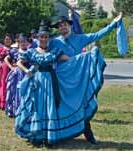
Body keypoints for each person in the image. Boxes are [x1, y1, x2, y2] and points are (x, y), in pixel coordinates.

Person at [47, 13, 123, 144]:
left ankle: (88, 132)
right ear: (58, 28)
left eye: (64, 24)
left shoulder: (79, 38)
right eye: (60, 26)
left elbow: (97, 34)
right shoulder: (54, 42)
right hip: (62, 79)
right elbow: (51, 56)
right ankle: (62, 133)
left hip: (78, 79)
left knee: (82, 104)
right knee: (61, 106)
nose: (62, 27)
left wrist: (113, 24)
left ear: (69, 25)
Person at [4, 34, 30, 116]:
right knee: (15, 92)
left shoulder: (31, 52)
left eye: (25, 42)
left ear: (27, 43)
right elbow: (6, 59)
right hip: (17, 74)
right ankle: (15, 110)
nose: (23, 44)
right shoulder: (14, 51)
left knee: (26, 91)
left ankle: (26, 110)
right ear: (19, 43)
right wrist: (11, 67)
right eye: (21, 42)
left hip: (27, 74)